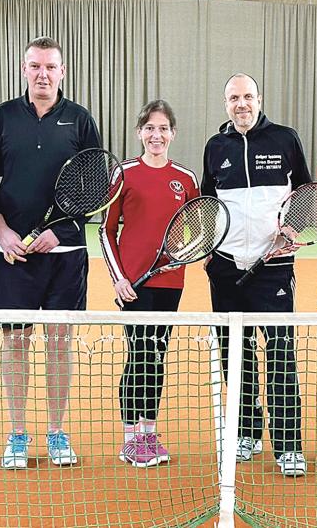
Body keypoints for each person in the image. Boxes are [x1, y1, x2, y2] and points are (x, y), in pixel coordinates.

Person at [0, 36, 101, 469]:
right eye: (35, 66)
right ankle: (17, 434)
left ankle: (56, 431)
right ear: (24, 69)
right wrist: (2, 230)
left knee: (59, 343)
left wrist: (63, 228)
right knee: (14, 344)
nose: (42, 74)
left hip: (65, 253)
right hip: (13, 254)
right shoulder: (4, 117)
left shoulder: (81, 120)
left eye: (50, 67)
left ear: (62, 72)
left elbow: (93, 187)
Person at [201, 73, 311, 477]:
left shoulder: (284, 139)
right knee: (237, 354)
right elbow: (208, 201)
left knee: (280, 353)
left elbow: (306, 192)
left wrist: (294, 228)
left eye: (248, 96)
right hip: (226, 266)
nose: (242, 104)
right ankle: (247, 430)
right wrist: (210, 250)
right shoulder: (216, 146)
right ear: (225, 103)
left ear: (259, 99)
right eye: (234, 98)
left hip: (274, 266)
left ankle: (288, 445)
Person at [99, 100, 199, 468]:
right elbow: (106, 232)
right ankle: (130, 437)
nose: (156, 135)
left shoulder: (186, 178)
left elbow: (198, 230)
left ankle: (149, 432)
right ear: (140, 132)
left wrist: (185, 253)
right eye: (150, 128)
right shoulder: (123, 174)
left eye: (163, 129)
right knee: (138, 354)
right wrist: (120, 278)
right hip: (133, 286)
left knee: (156, 357)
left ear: (173, 133)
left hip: (170, 283)